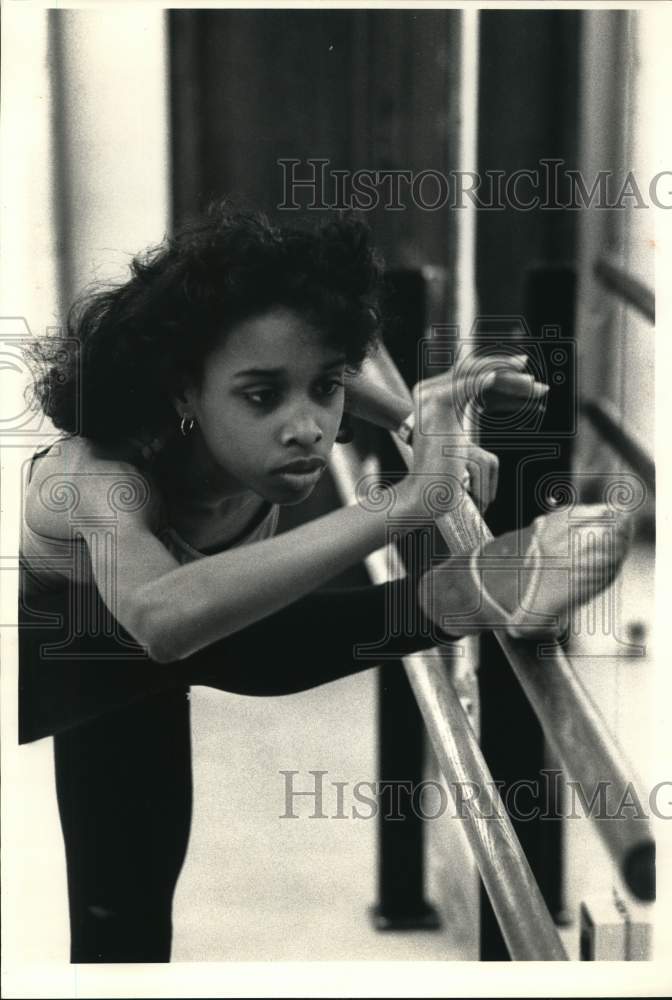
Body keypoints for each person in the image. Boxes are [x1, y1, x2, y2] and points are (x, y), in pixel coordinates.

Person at [19, 204, 632, 963]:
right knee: (123, 928)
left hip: (194, 627)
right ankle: (462, 594)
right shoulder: (97, 478)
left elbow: (344, 346)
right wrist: (408, 500)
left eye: (326, 389)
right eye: (261, 395)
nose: (307, 426)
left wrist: (417, 416)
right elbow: (159, 618)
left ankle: (469, 591)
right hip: (90, 653)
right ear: (182, 390)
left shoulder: (290, 399)